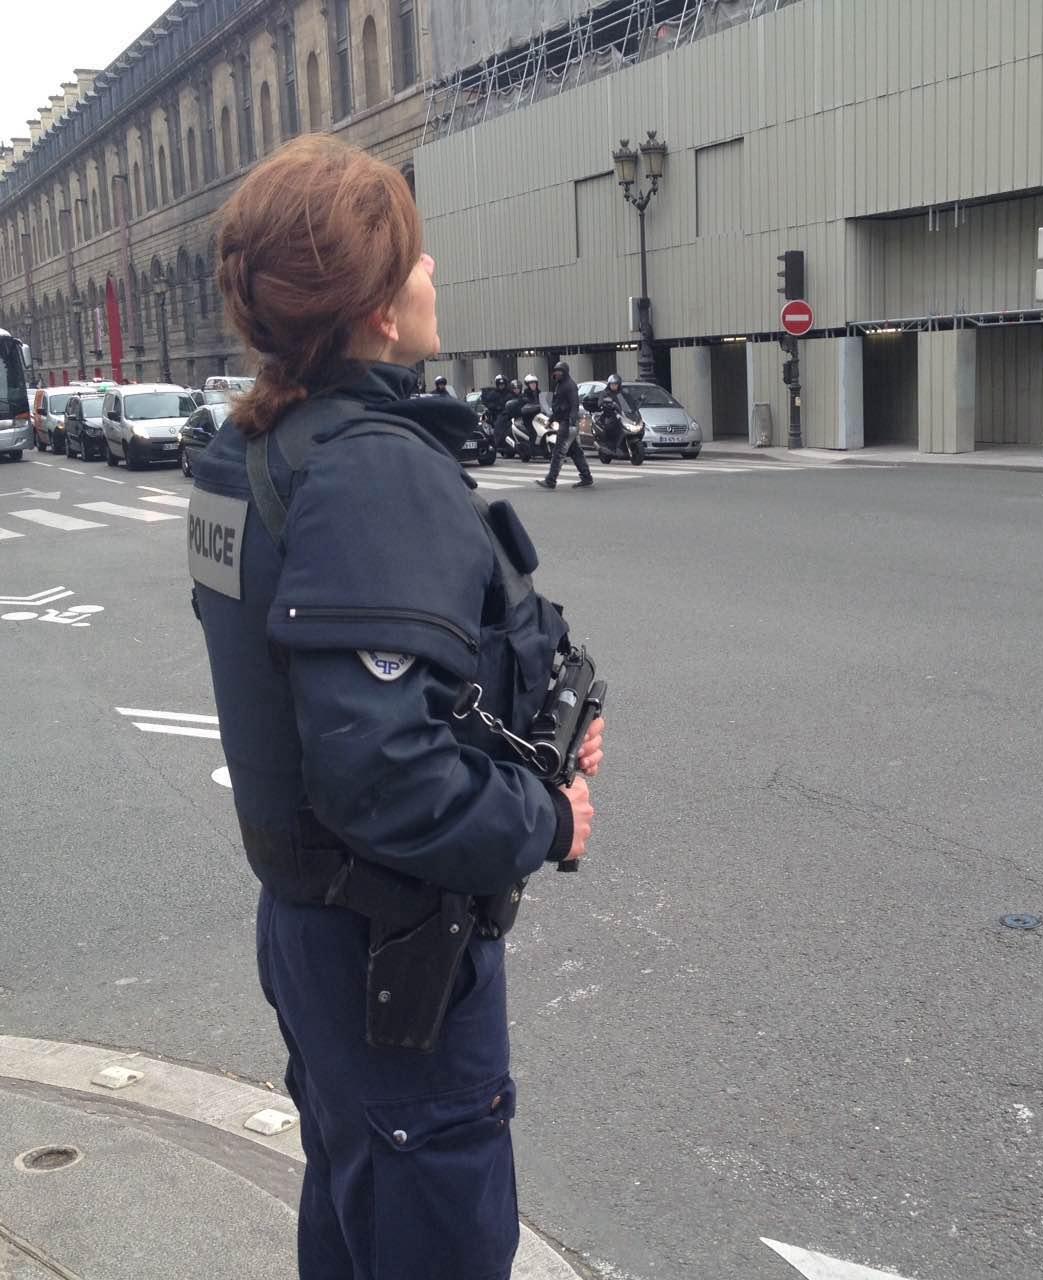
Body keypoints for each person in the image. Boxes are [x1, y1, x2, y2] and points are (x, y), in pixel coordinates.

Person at [187, 134, 602, 1280]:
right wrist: (548, 814)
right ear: (374, 304)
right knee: (430, 1236)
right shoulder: (371, 468)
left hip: (315, 926)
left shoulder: (251, 449)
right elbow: (384, 769)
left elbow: (308, 680)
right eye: (414, 256)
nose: (431, 272)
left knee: (354, 1207)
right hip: (393, 947)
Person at [536, 359, 592, 490]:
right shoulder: (560, 385)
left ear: (565, 372)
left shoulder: (569, 385)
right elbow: (559, 406)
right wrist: (551, 419)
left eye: (560, 371)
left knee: (558, 452)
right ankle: (586, 476)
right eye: (556, 371)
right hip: (564, 422)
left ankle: (551, 480)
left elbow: (574, 405)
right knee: (575, 451)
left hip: (567, 423)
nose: (557, 373)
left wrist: (572, 422)